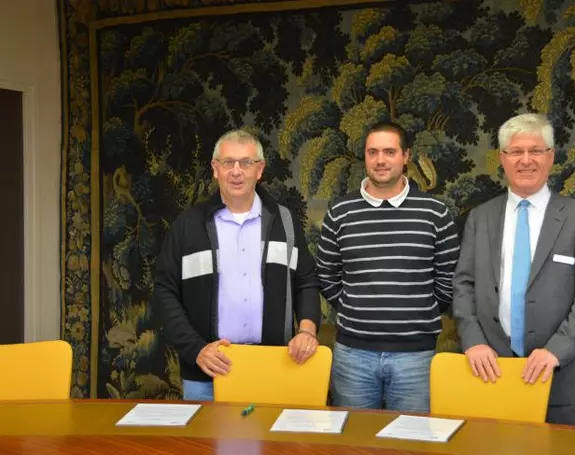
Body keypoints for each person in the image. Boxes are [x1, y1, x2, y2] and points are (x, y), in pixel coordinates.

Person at [452, 113, 575, 425]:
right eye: (516, 152)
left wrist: (556, 350)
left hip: (557, 373)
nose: (525, 160)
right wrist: (472, 340)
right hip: (490, 370)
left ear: (550, 157)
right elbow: (463, 284)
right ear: (502, 158)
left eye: (535, 151)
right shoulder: (480, 217)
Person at [153, 130, 321, 401]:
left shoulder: (285, 223)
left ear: (260, 170)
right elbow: (164, 291)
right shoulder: (187, 226)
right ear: (215, 169)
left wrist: (307, 330)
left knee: (273, 444)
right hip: (208, 373)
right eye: (228, 162)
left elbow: (307, 280)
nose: (236, 171)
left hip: (273, 367)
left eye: (246, 163)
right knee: (205, 445)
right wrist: (196, 349)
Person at [316, 122, 460, 413]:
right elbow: (326, 275)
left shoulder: (435, 213)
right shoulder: (340, 212)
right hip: (353, 355)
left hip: (415, 356)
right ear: (365, 157)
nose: (380, 160)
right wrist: (354, 308)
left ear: (406, 156)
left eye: (389, 151)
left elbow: (448, 279)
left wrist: (420, 312)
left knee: (410, 448)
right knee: (353, 444)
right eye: (373, 152)